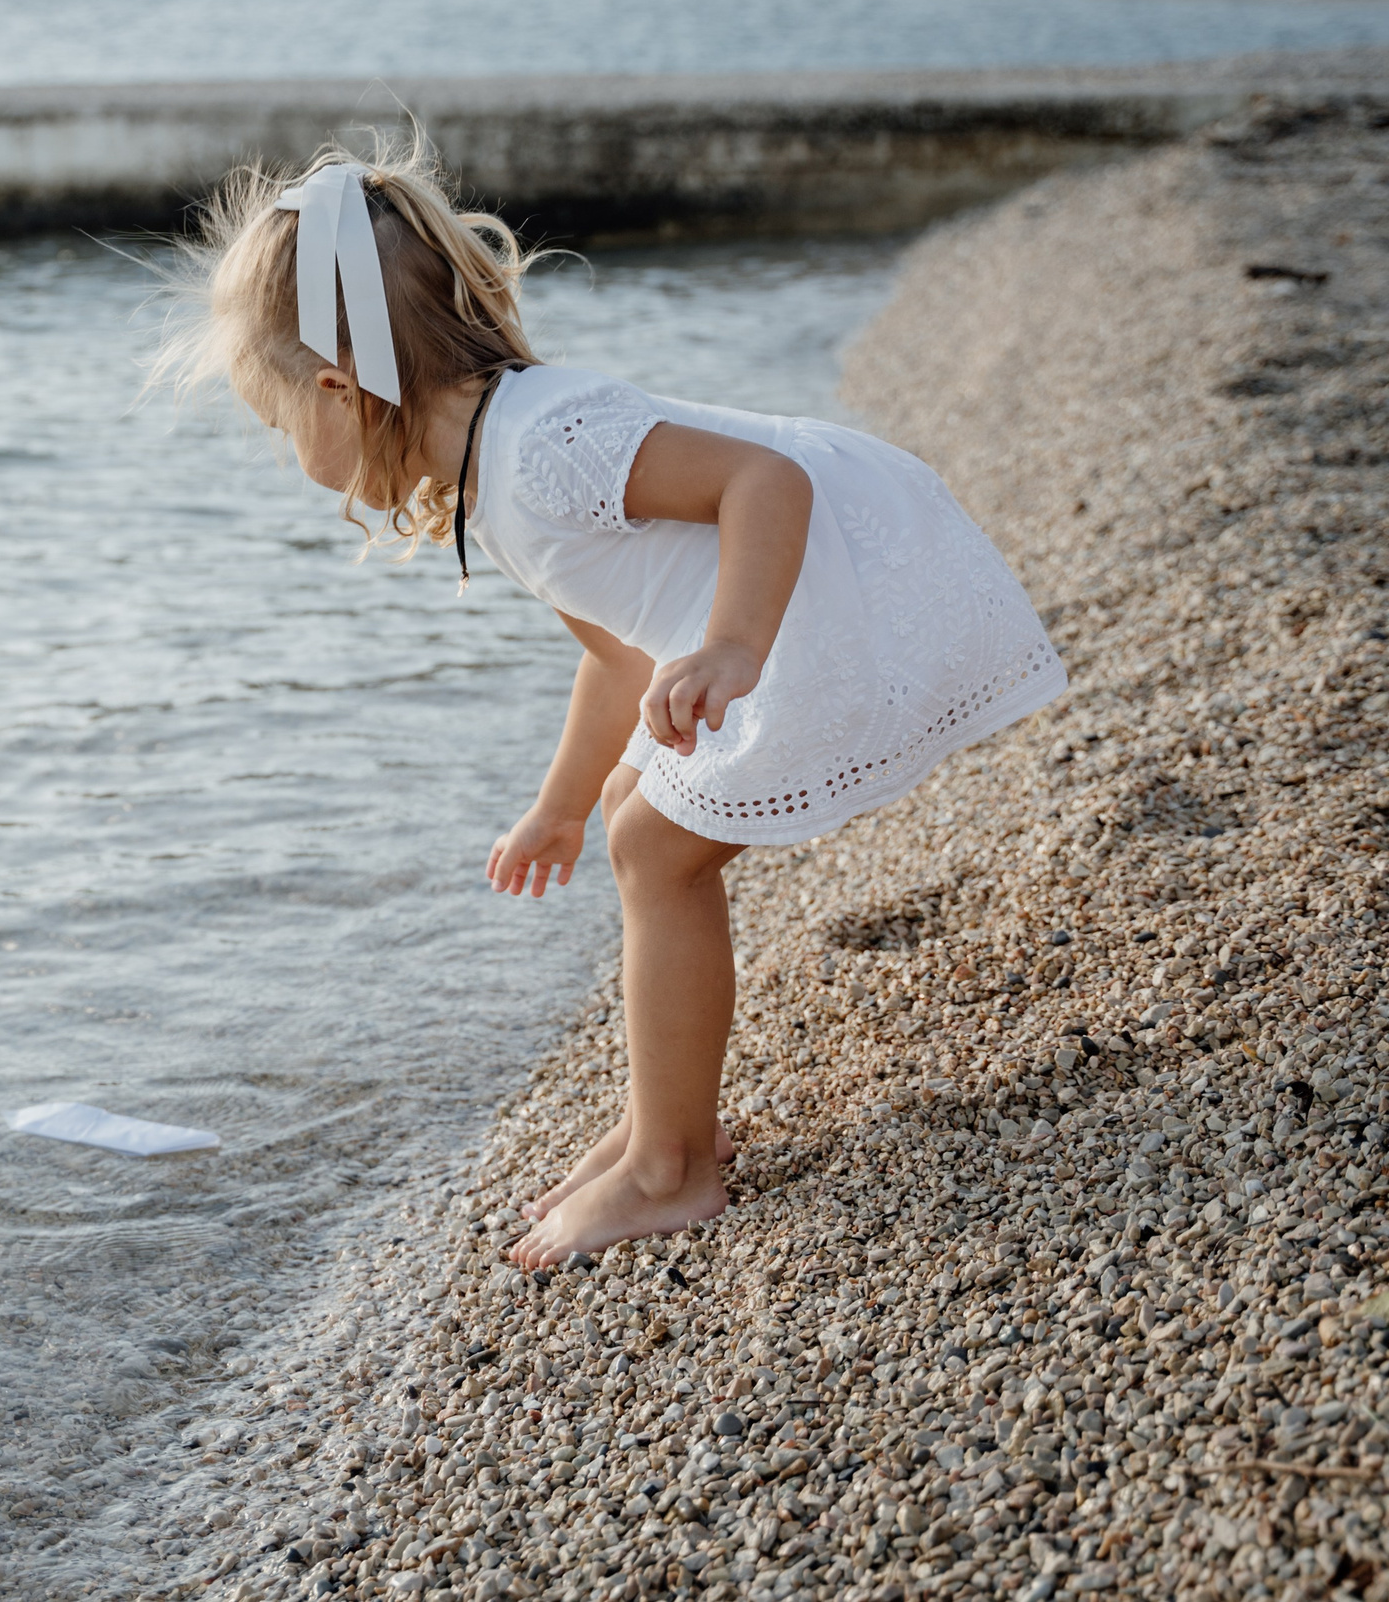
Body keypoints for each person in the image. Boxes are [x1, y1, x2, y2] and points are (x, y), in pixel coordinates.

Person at [158, 144, 1064, 1263]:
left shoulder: (544, 447)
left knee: (654, 849)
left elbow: (762, 482)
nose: (292, 450)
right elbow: (623, 659)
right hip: (797, 593)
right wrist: (559, 805)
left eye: (279, 422)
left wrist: (733, 645)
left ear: (340, 392)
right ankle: (662, 1116)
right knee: (632, 809)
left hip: (831, 587)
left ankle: (668, 1167)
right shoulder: (494, 476)